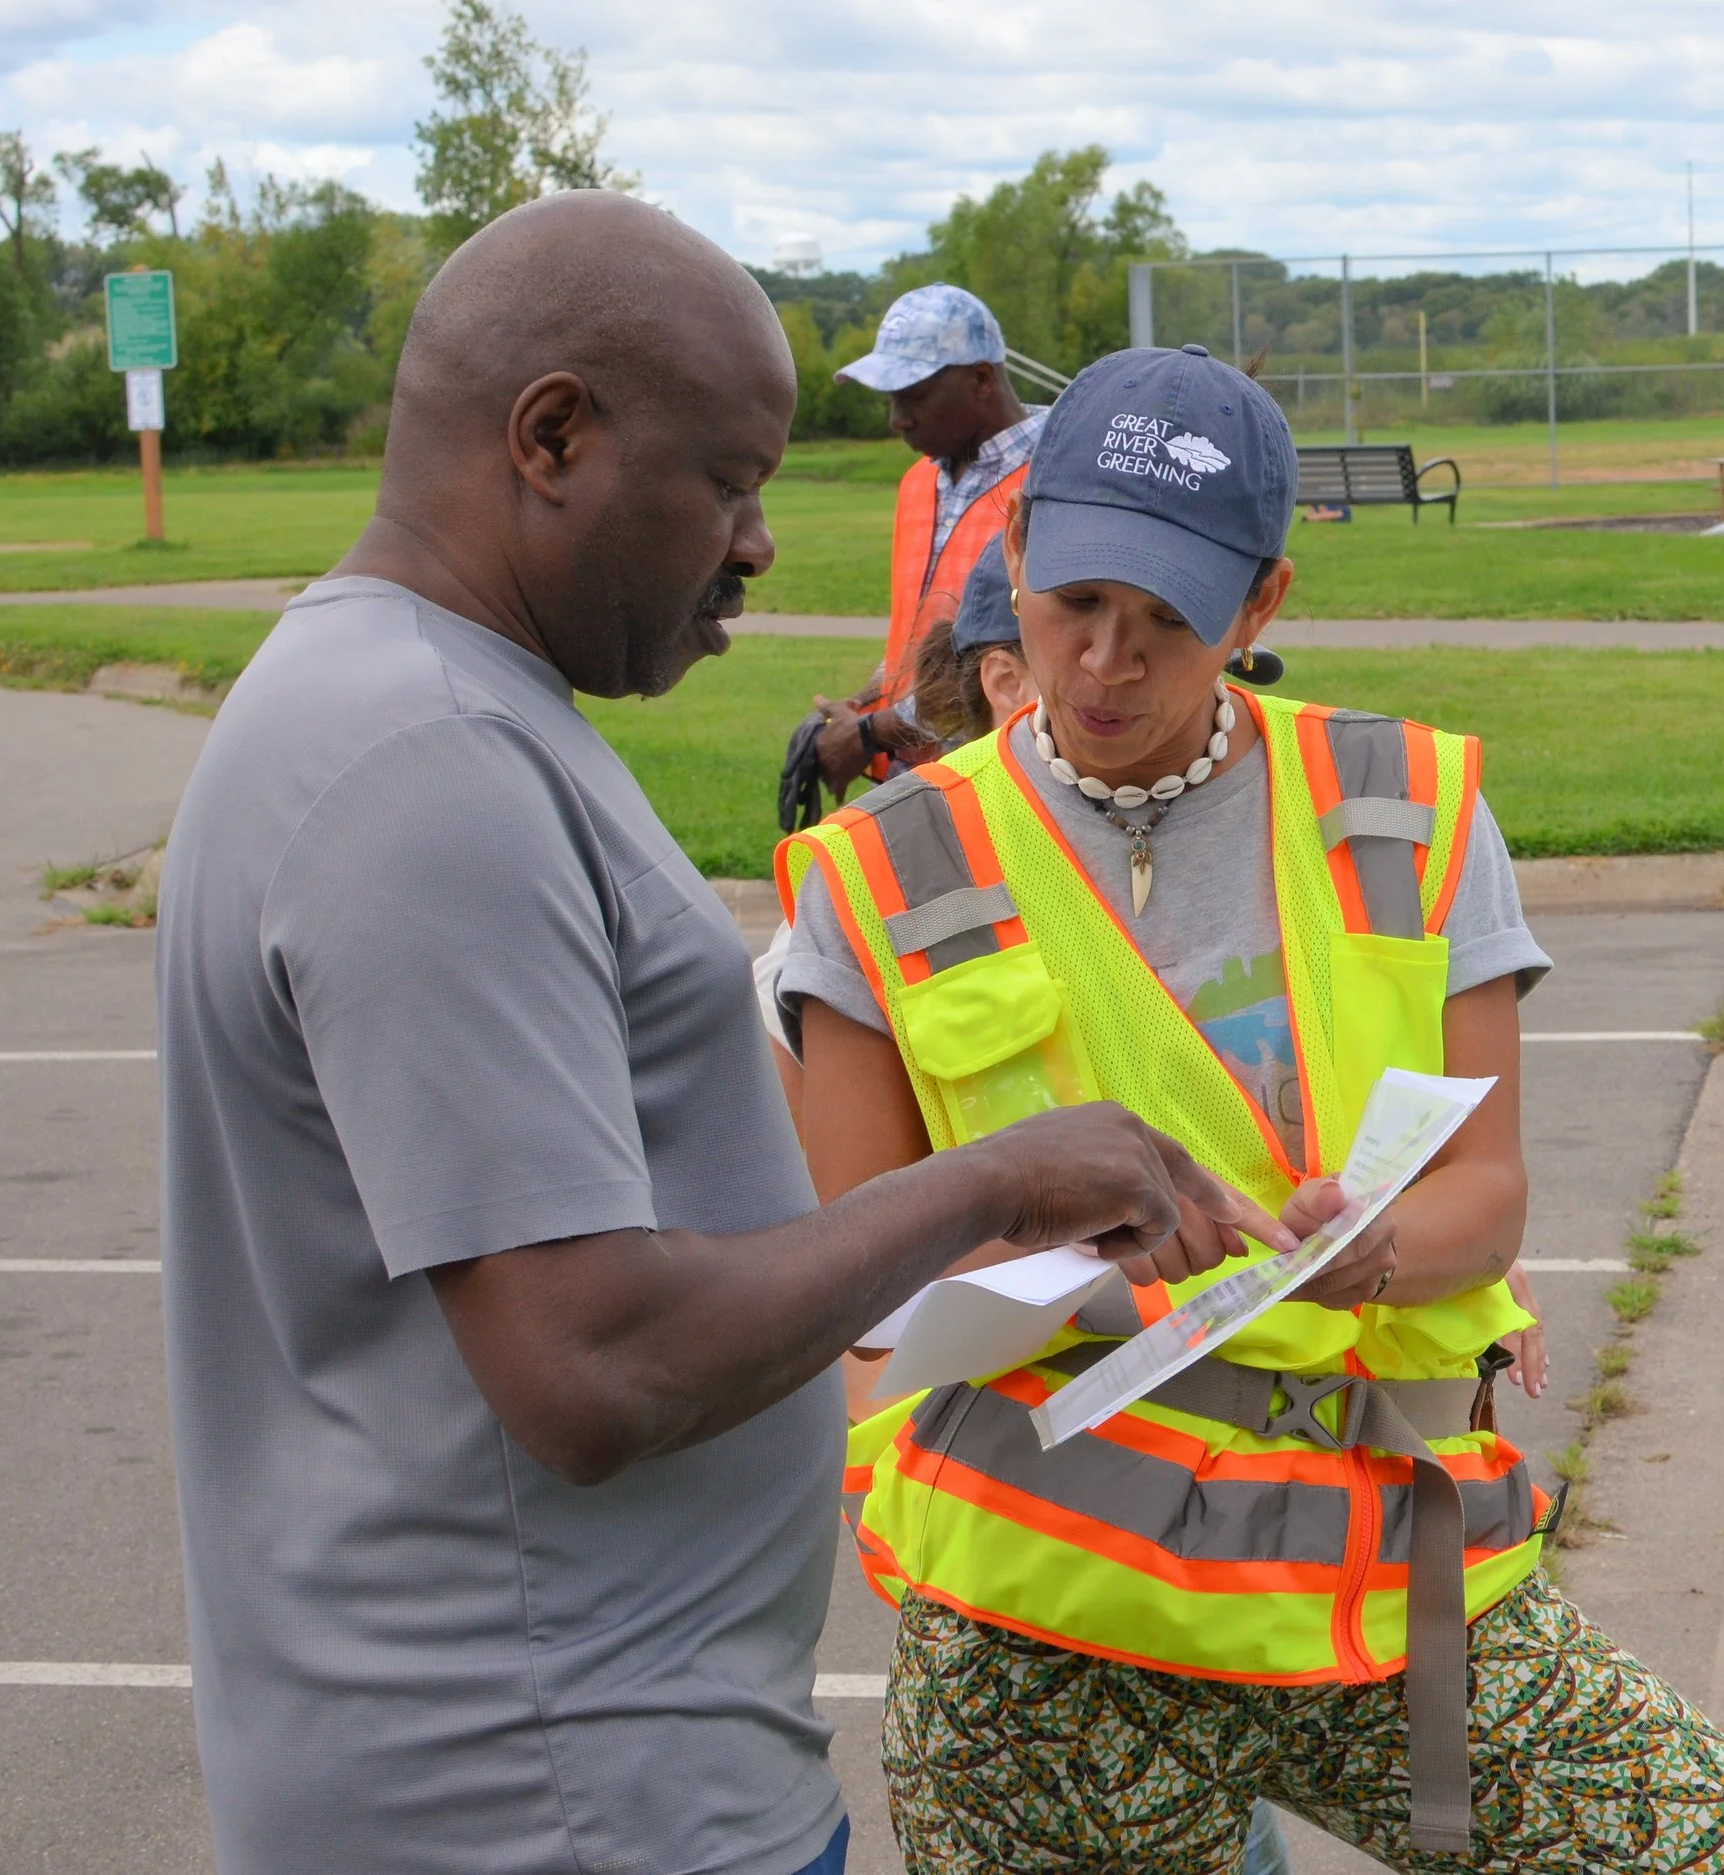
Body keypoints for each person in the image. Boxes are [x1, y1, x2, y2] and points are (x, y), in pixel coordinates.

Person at [154, 194, 1293, 1875]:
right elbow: (592, 1365)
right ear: (553, 437)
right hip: (554, 1801)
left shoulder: (407, 705)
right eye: (728, 483)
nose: (757, 544)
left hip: (565, 1770)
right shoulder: (428, 771)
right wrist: (992, 1184)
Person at [778, 343, 1724, 1874]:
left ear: (1262, 603)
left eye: (1168, 618)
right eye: (1075, 601)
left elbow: (1487, 1193)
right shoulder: (885, 870)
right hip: (1049, 1628)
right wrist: (1055, 1242)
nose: (1106, 662)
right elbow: (863, 1281)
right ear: (1012, 550)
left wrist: (1380, 1250)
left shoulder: (1402, 803)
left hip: (1392, 1564)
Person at [807, 283, 1047, 799]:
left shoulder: (1053, 482)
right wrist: (863, 705)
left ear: (981, 379)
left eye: (913, 396)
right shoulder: (919, 482)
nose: (897, 419)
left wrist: (868, 733)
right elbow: (919, 639)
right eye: (891, 399)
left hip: (1004, 779)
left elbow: (1019, 659)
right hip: (913, 775)